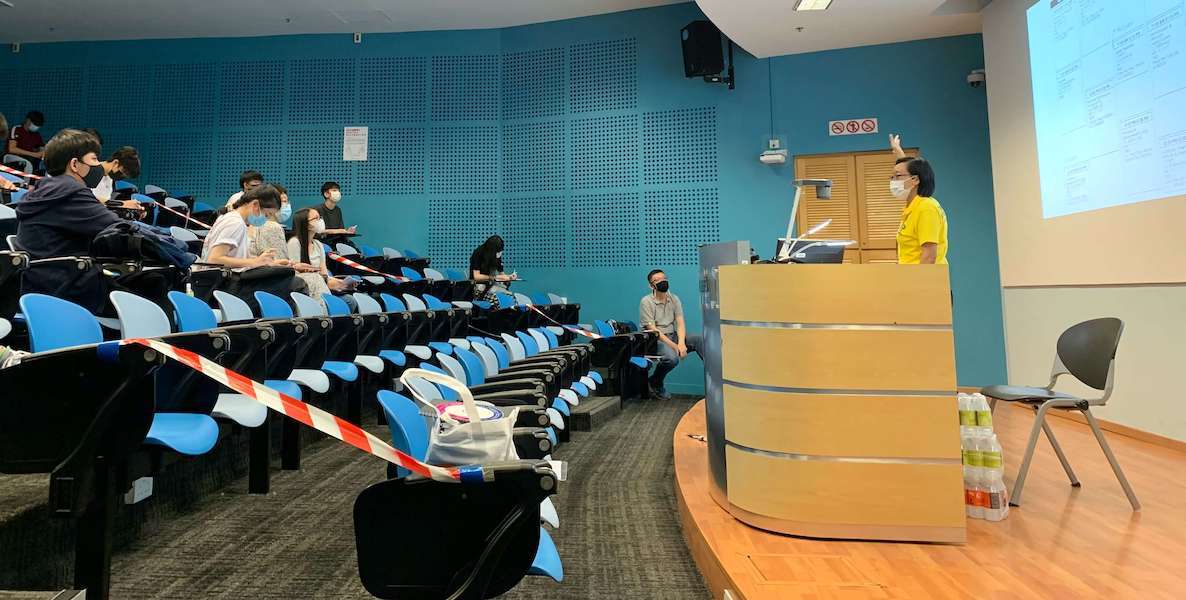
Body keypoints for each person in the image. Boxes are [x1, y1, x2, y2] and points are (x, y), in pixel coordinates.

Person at [14, 128, 123, 313]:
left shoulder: (47, 189)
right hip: (64, 288)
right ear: (74, 164)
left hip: (44, 283)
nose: (99, 166)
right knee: (150, 285)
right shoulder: (71, 192)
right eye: (94, 159)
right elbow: (117, 226)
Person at [639, 269, 701, 400]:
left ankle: (714, 378)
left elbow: (680, 322)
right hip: (655, 340)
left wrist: (682, 343)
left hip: (673, 335)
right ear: (651, 285)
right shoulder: (646, 301)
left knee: (699, 339)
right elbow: (654, 330)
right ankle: (655, 382)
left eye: (664, 278)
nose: (662, 281)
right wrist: (675, 346)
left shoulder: (674, 299)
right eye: (657, 280)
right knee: (672, 358)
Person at [889, 134, 949, 265]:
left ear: (915, 180)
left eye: (897, 176)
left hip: (923, 281)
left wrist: (918, 284)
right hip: (909, 277)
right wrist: (899, 153)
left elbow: (929, 256)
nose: (893, 182)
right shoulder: (912, 207)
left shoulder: (926, 208)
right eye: (892, 177)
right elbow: (909, 168)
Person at [288, 207, 358, 306]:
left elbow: (324, 274)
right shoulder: (294, 243)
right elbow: (294, 272)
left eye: (319, 217)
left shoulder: (318, 244)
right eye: (315, 218)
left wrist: (342, 283)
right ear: (306, 224)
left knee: (350, 301)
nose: (320, 221)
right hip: (306, 288)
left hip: (322, 285)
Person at [469, 235, 517, 306]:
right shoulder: (478, 253)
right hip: (479, 286)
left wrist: (509, 277)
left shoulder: (497, 255)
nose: (500, 252)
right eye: (498, 250)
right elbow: (476, 276)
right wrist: (493, 277)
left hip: (492, 285)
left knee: (512, 298)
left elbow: (501, 274)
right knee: (497, 300)